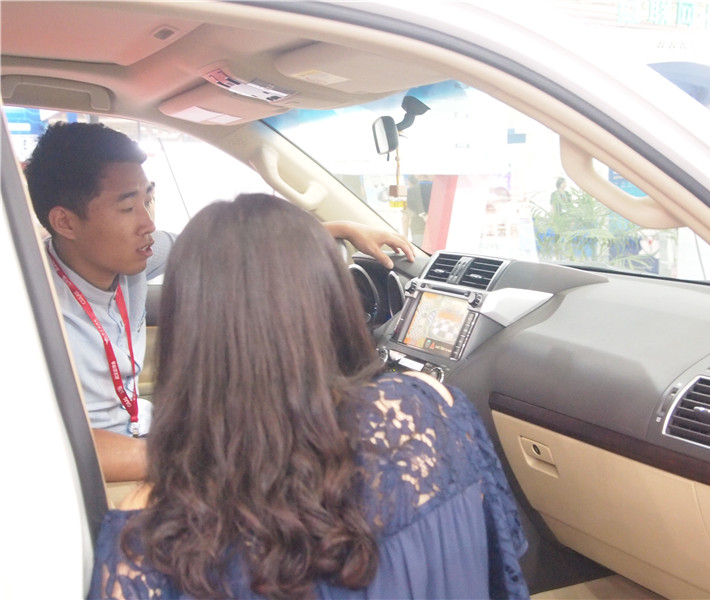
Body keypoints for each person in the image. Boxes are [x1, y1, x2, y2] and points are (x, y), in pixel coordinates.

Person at [88, 193, 529, 599]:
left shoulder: (146, 538)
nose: (145, 218)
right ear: (332, 299)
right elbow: (503, 566)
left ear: (186, 334)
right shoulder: (431, 412)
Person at [24, 122, 415, 483]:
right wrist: (201, 462)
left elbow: (229, 247)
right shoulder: (28, 310)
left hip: (143, 433)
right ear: (65, 222)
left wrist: (341, 227)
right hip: (95, 475)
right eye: (127, 208)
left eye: (149, 199)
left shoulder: (133, 254)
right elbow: (39, 443)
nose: (148, 224)